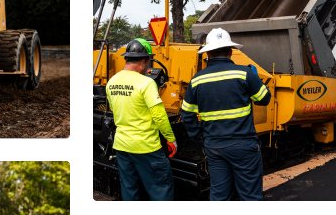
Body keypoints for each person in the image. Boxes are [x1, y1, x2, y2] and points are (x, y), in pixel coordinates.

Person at [180, 28, 271, 200]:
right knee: (250, 196)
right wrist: (256, 78)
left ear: (207, 53)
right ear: (230, 51)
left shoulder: (197, 80)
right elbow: (264, 99)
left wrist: (201, 137)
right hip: (244, 145)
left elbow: (187, 114)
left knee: (220, 195)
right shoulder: (244, 73)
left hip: (214, 146)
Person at [105, 38, 177, 201]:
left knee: (130, 191)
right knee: (160, 191)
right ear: (144, 61)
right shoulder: (146, 83)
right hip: (146, 148)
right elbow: (159, 115)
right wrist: (171, 139)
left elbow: (116, 111)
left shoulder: (111, 82)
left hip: (122, 146)